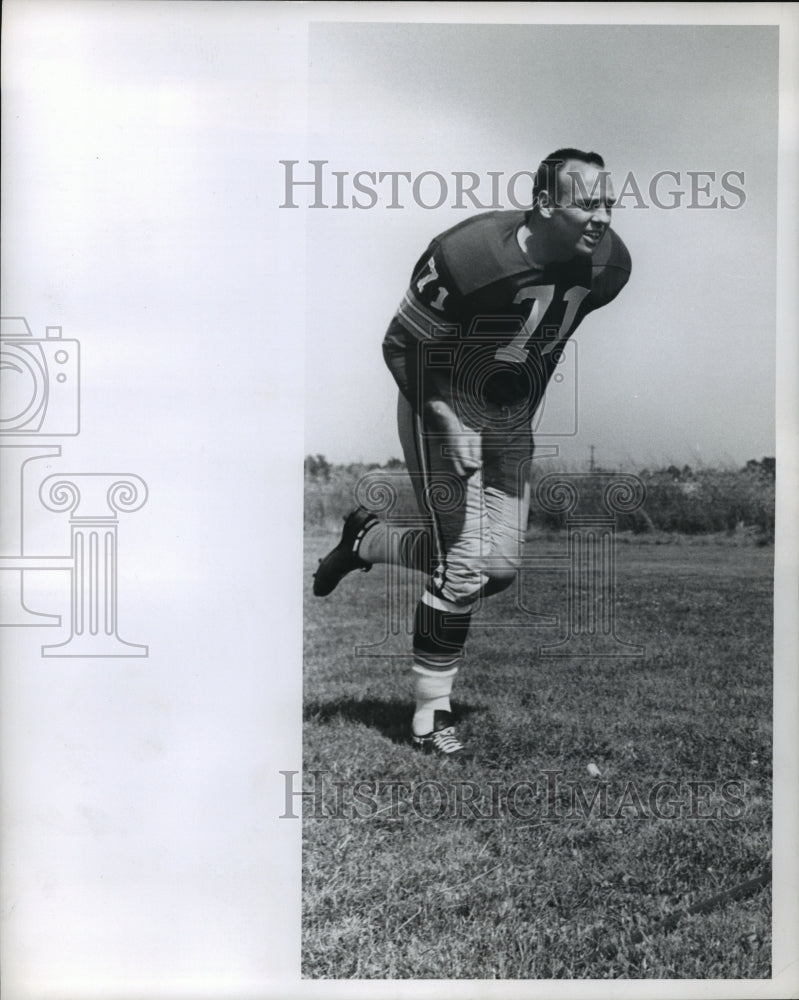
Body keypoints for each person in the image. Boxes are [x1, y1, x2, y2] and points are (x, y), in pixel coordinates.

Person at [313, 149, 631, 759]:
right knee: (461, 568)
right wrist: (441, 413)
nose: (602, 216)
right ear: (544, 204)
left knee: (499, 570)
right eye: (586, 202)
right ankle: (431, 715)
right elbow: (399, 343)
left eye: (608, 202)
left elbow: (545, 342)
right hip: (439, 400)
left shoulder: (611, 268)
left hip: (506, 418)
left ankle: (368, 541)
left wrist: (516, 413)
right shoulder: (470, 255)